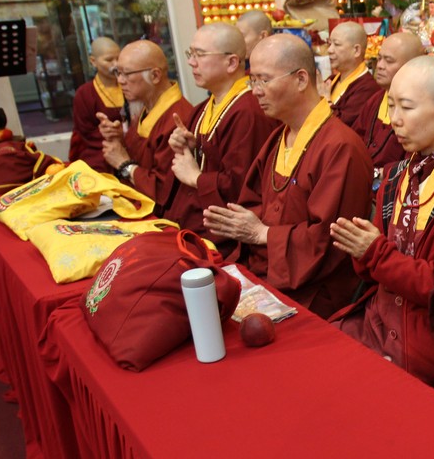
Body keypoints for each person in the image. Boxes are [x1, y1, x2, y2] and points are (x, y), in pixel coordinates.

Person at [331, 56, 434, 387]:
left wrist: (375, 252)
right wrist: (361, 248)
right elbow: (370, 271)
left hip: (426, 344)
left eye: (406, 107)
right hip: (376, 323)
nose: (395, 119)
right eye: (391, 106)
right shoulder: (396, 175)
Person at [203, 34, 373, 318]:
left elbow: (329, 240)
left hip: (314, 289)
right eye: (252, 81)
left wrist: (264, 234)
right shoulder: (279, 137)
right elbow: (254, 203)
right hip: (268, 269)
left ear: (301, 79)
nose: (256, 91)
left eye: (263, 80)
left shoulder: (340, 147)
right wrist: (241, 225)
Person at [164, 23, 279, 239]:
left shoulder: (249, 110)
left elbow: (244, 187)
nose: (191, 62)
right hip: (195, 222)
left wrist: (197, 178)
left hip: (224, 235)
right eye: (190, 54)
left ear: (232, 62)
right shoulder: (203, 108)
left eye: (200, 54)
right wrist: (190, 148)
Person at [99, 40, 193, 214]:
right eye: (118, 73)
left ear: (155, 75)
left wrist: (124, 164)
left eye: (126, 74)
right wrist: (119, 140)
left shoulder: (178, 118)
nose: (120, 81)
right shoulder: (147, 108)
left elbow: (163, 189)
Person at [350, 31, 424, 174]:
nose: (380, 66)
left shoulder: (420, 108)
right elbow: (355, 139)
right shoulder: (376, 99)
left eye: (389, 61)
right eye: (379, 59)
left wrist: (380, 173)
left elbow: (415, 162)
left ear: (411, 65)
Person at [69, 37, 123, 173]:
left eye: (119, 58)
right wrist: (111, 134)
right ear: (93, 61)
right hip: (98, 148)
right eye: (109, 60)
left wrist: (124, 134)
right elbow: (85, 131)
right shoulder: (84, 93)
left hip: (130, 143)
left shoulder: (130, 84)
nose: (116, 64)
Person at [324, 21, 379, 129]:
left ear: (356, 50)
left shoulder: (367, 88)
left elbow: (342, 127)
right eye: (329, 44)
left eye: (336, 44)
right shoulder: (331, 80)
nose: (329, 50)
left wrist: (326, 100)